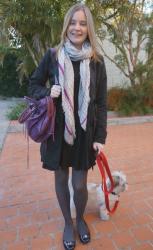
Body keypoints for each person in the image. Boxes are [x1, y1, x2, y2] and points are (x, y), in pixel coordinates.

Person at [29, 3, 107, 250]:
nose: (77, 27)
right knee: (62, 180)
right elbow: (33, 86)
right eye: (73, 22)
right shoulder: (52, 55)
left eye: (83, 23)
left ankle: (80, 218)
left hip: (85, 131)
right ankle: (67, 222)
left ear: (88, 28)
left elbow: (102, 103)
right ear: (66, 26)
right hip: (58, 131)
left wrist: (100, 136)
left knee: (80, 184)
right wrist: (47, 92)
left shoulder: (97, 61)